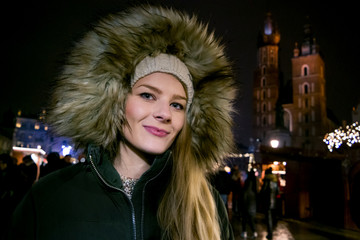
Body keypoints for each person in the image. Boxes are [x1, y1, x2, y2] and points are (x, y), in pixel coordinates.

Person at [8, 4, 237, 240]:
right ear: (113, 101)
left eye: (177, 104)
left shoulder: (206, 206)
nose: (164, 114)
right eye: (147, 95)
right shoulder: (49, 197)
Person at [260, 167, 279, 239]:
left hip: (267, 202)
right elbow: (277, 192)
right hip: (274, 202)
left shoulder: (267, 181)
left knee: (268, 219)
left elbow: (263, 191)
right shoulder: (275, 181)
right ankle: (271, 232)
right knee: (272, 218)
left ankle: (270, 233)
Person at [241, 169, 258, 239]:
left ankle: (244, 232)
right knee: (251, 219)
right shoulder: (255, 182)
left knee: (245, 219)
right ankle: (254, 232)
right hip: (253, 204)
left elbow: (245, 193)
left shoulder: (248, 182)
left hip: (247, 203)